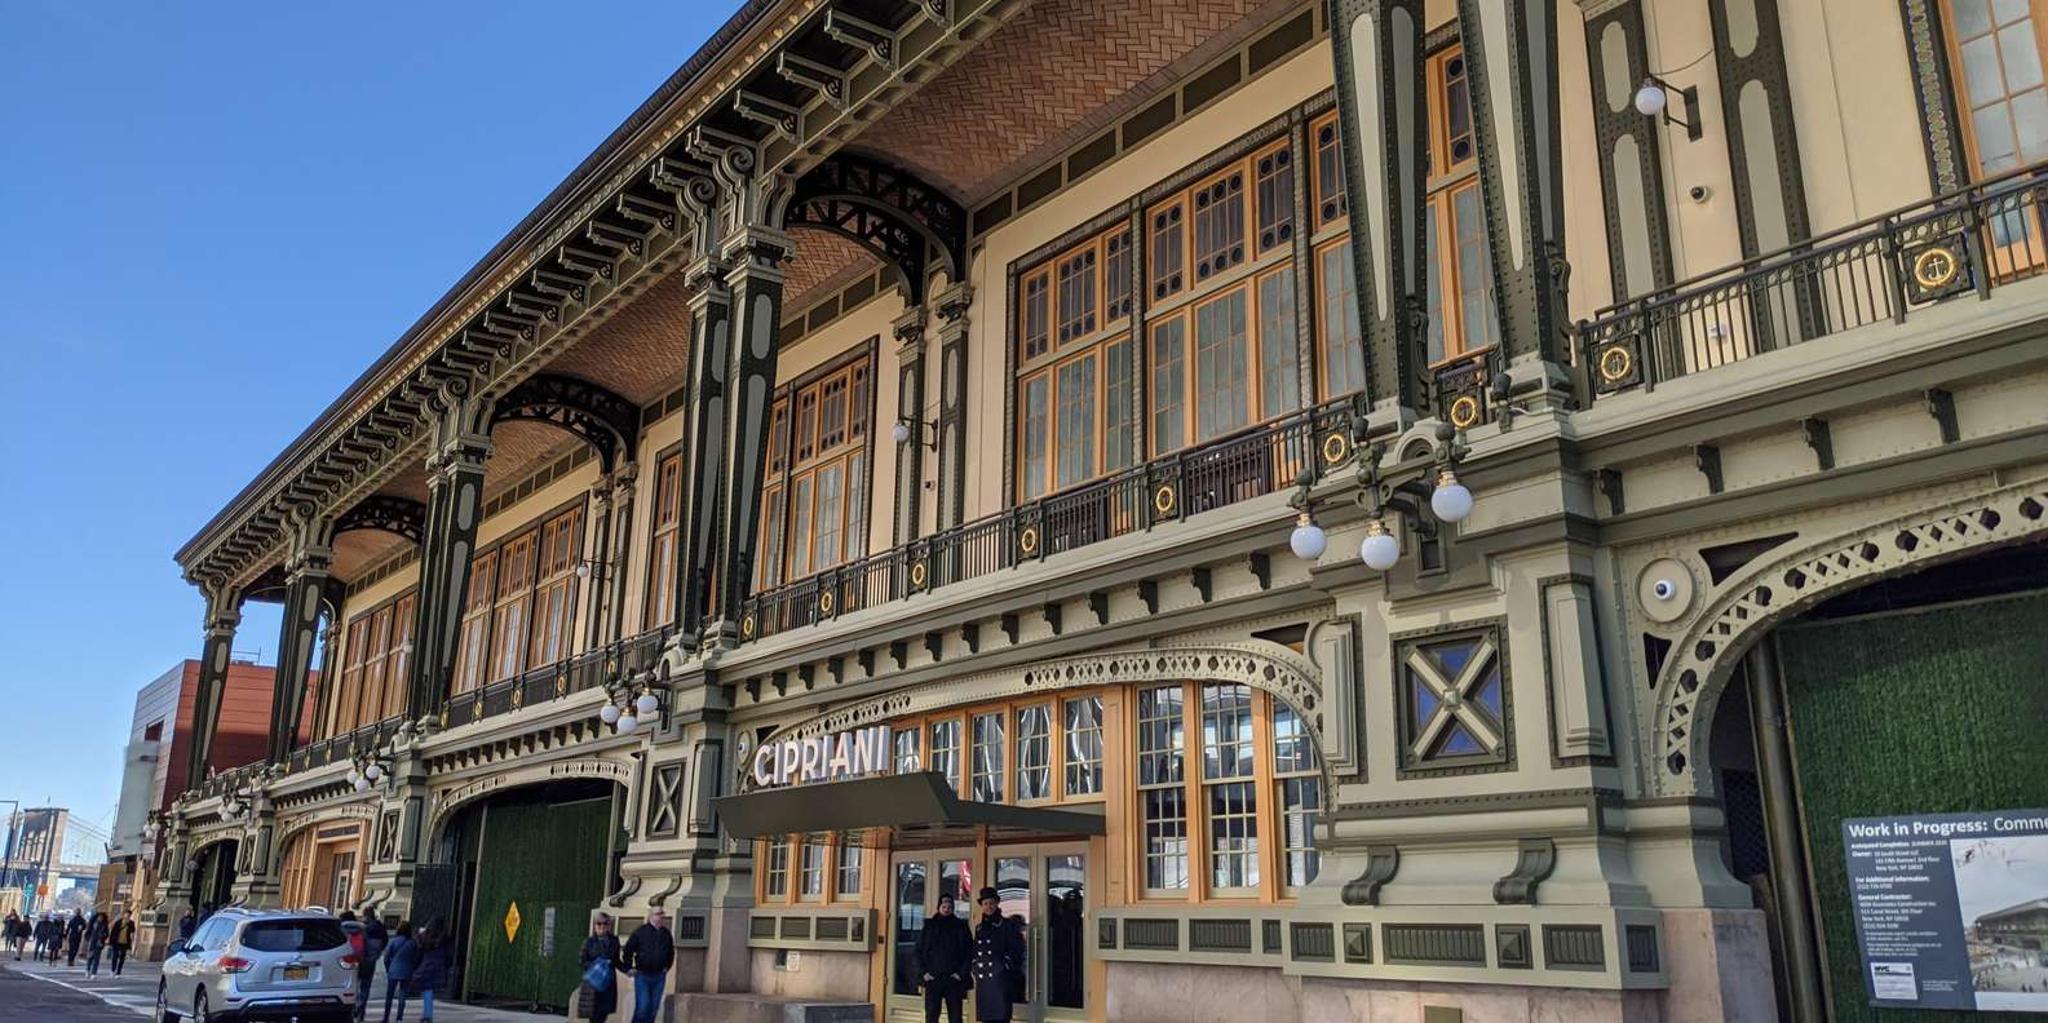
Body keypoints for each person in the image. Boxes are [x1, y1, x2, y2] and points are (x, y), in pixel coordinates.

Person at [916, 893, 973, 1023]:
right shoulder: (929, 926)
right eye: (944, 907)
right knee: (931, 1015)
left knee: (955, 1017)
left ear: (953, 908)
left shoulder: (961, 926)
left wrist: (960, 973)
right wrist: (923, 973)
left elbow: (969, 952)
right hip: (933, 978)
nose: (947, 909)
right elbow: (918, 951)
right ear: (939, 908)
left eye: (949, 907)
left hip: (953, 979)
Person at [970, 888, 1023, 1023]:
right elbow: (975, 950)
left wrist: (1005, 965)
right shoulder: (979, 928)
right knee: (986, 1018)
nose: (989, 907)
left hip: (1000, 980)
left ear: (997, 903)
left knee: (1001, 1016)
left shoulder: (1007, 925)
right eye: (985, 904)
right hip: (984, 980)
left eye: (991, 903)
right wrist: (974, 966)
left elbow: (1017, 949)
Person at [620, 907, 674, 1023]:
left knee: (653, 1008)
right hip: (642, 975)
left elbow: (670, 951)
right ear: (651, 916)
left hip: (659, 975)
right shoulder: (641, 932)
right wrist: (628, 967)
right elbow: (628, 950)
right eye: (658, 914)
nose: (661, 916)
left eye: (662, 914)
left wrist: (667, 966)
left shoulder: (666, 933)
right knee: (643, 1007)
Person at [577, 913, 623, 1023]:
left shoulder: (614, 941)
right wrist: (598, 965)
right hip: (593, 982)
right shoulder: (589, 942)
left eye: (605, 923)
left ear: (609, 926)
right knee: (593, 1015)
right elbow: (582, 961)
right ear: (594, 926)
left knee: (604, 1014)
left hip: (608, 983)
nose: (602, 926)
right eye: (599, 923)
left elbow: (616, 961)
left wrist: (628, 970)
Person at [408, 919, 449, 1023]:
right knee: (429, 990)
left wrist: (420, 932)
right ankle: (428, 1014)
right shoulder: (443, 937)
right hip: (438, 965)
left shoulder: (426, 936)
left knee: (426, 989)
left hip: (427, 964)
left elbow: (419, 944)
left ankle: (427, 1014)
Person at [379, 921, 417, 1023]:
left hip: (393, 970)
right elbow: (416, 957)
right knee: (402, 995)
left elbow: (386, 958)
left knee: (389, 995)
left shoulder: (393, 941)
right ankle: (399, 1018)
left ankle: (386, 1017)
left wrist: (388, 968)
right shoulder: (412, 942)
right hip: (407, 970)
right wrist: (412, 967)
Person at [355, 914, 388, 1022]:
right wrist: (377, 953)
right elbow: (385, 941)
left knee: (355, 986)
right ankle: (362, 1008)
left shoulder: (362, 928)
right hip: (371, 960)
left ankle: (357, 1005)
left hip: (359, 960)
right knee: (366, 986)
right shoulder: (380, 928)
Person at [107, 911, 136, 976]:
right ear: (124, 915)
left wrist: (132, 942)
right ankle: (113, 970)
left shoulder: (131, 923)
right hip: (116, 942)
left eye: (128, 916)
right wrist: (110, 941)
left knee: (122, 958)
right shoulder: (118, 922)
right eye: (126, 915)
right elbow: (113, 932)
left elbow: (132, 932)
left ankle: (118, 972)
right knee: (115, 956)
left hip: (125, 943)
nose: (127, 917)